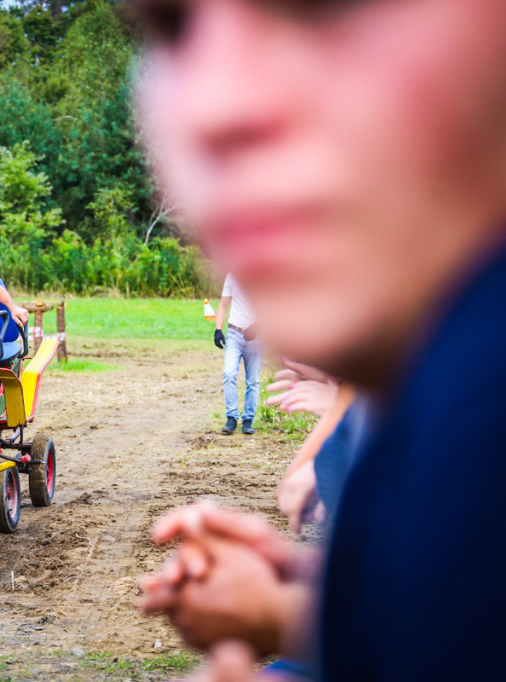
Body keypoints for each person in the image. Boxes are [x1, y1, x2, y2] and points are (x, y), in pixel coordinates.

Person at [131, 0, 506, 679]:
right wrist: (308, 594)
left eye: (320, 7)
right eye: (170, 26)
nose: (213, 107)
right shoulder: (438, 377)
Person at [214, 273, 261, 435]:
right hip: (234, 333)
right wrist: (218, 329)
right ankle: (231, 417)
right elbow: (223, 305)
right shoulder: (232, 276)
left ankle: (248, 420)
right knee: (228, 373)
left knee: (253, 380)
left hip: (255, 336)